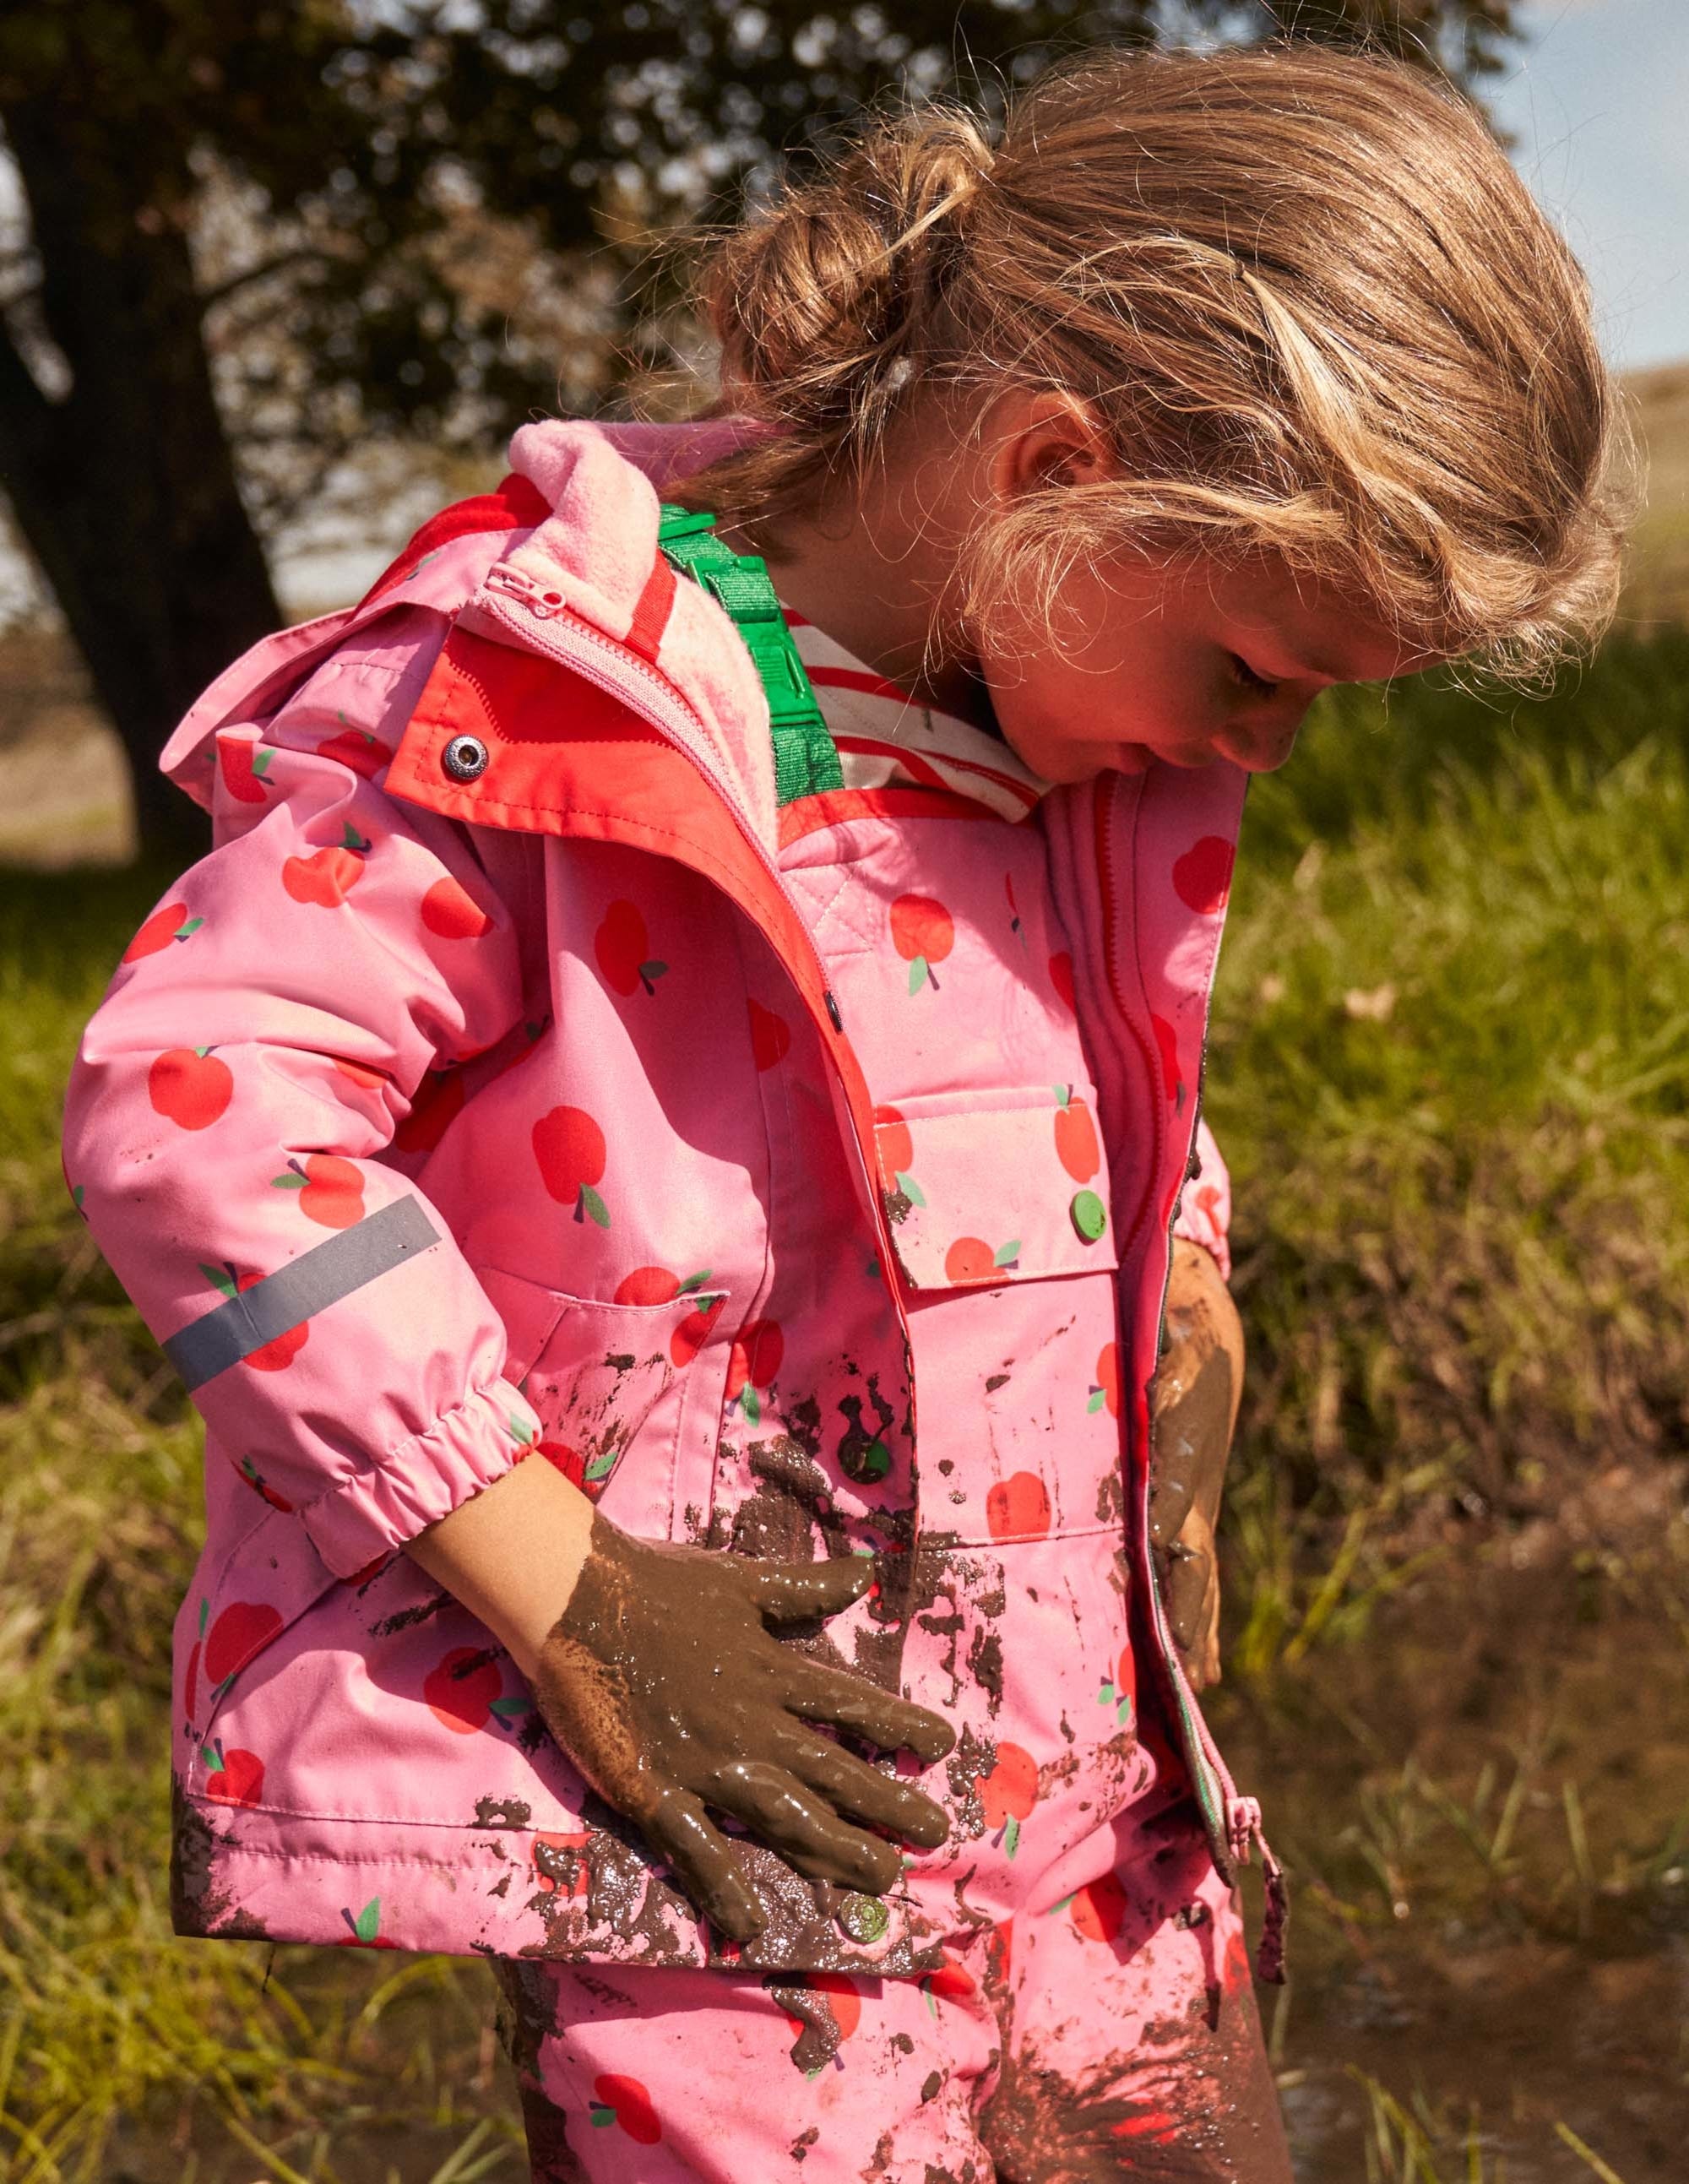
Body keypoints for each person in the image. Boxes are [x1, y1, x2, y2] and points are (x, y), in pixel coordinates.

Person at [62, 41, 1627, 2182]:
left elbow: (1081, 1066)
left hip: (1093, 1797)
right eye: (1256, 671)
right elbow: (205, 1111)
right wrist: (576, 1595)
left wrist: (1194, 1284)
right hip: (729, 1830)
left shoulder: (1073, 736)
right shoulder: (531, 705)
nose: (1262, 751)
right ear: (1050, 476)